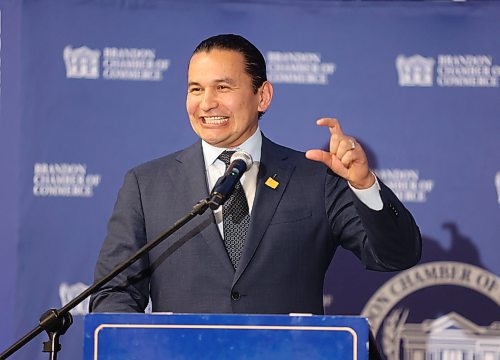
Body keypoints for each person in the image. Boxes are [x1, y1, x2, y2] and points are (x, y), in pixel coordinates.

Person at [89, 34, 421, 314]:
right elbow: (113, 294)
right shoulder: (147, 185)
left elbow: (395, 256)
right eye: (195, 89)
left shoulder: (315, 179)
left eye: (222, 87)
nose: (207, 103)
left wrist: (363, 185)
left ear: (262, 96)